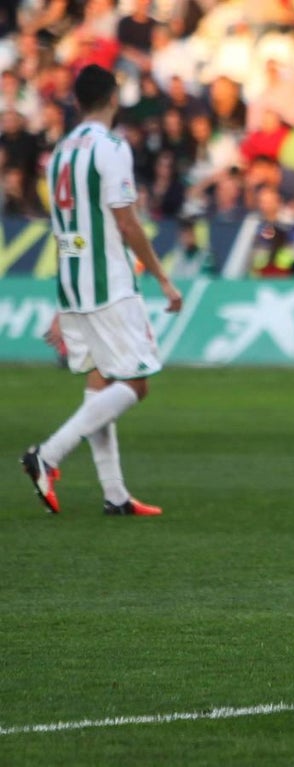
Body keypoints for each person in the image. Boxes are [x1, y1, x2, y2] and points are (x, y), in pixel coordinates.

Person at [20, 64, 182, 517]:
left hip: (73, 280)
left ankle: (115, 495)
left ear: (76, 101)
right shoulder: (111, 147)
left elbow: (62, 227)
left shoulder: (60, 151)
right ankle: (48, 454)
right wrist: (162, 277)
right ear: (113, 97)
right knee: (136, 382)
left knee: (100, 380)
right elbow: (126, 221)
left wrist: (63, 301)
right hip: (109, 282)